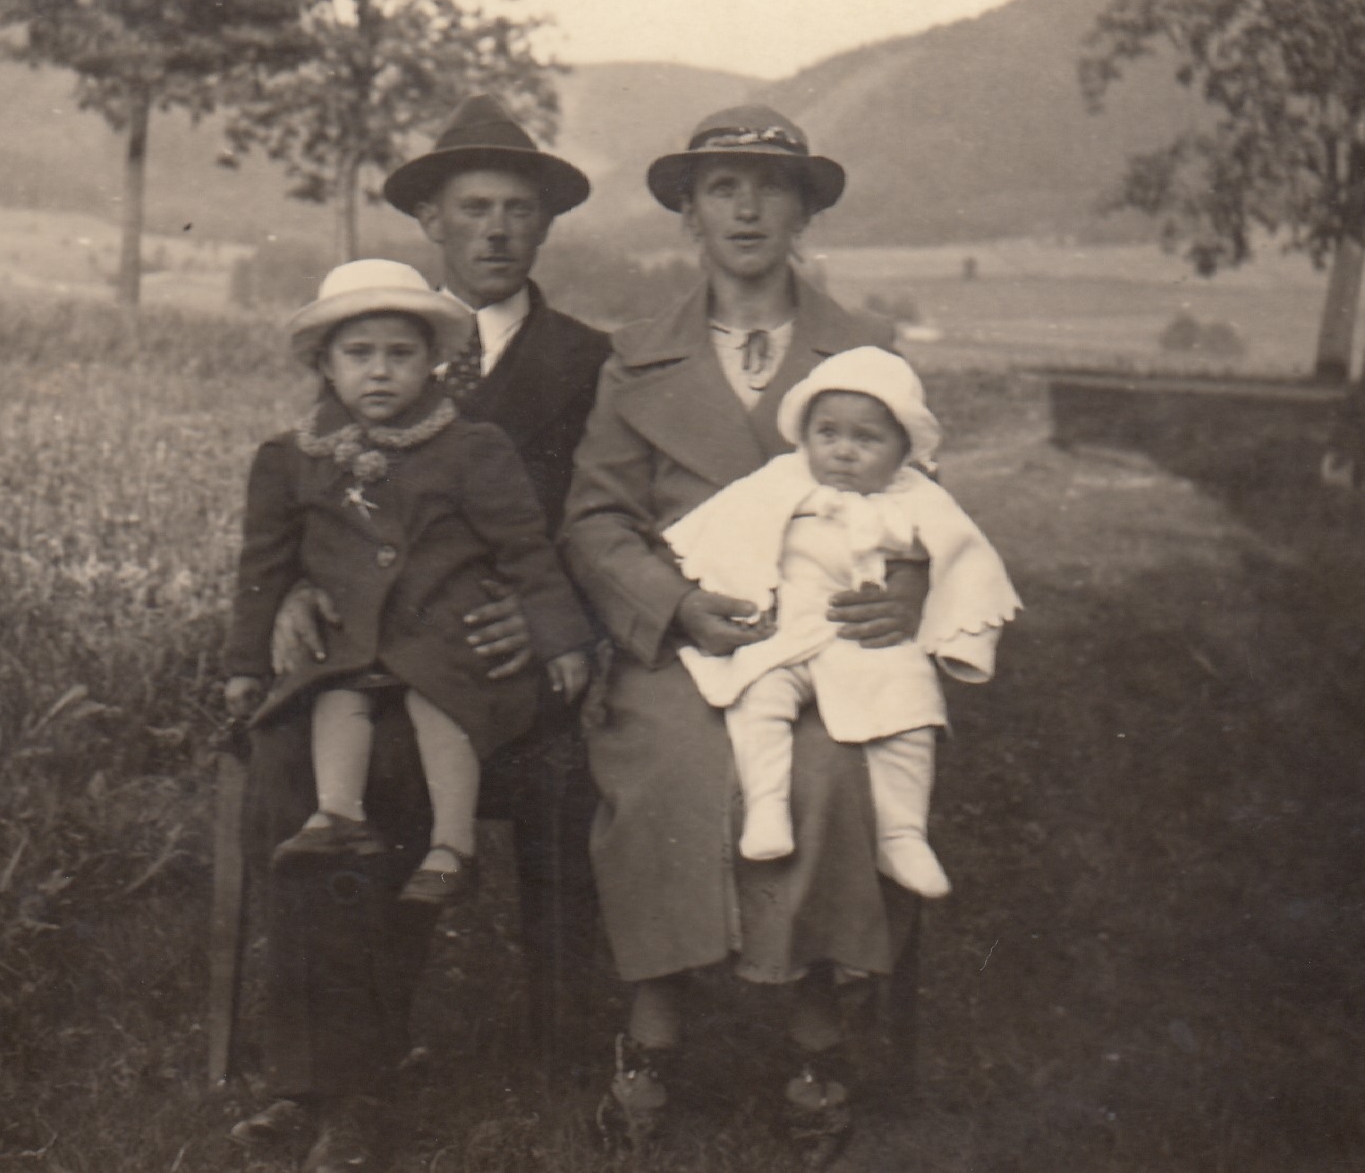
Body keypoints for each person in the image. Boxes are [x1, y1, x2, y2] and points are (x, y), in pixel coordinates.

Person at [225, 96, 612, 1173]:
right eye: (473, 208)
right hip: (367, 647)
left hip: (500, 656)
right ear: (430, 220)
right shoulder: (372, 343)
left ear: (547, 225)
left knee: (389, 759)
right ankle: (326, 1079)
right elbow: (310, 502)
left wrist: (555, 616)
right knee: (300, 765)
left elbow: (613, 513)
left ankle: (357, 1080)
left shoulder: (590, 361)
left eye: (519, 209)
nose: (497, 229)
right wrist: (292, 594)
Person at [558, 104, 933, 1157]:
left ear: (805, 209)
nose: (748, 208)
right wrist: (674, 605)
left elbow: (924, 505)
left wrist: (906, 590)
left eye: (773, 187)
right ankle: (653, 1034)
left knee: (826, 767)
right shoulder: (639, 359)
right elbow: (596, 520)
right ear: (689, 211)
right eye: (722, 187)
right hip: (687, 640)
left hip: (829, 639)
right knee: (671, 765)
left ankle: (814, 1039)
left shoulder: (865, 352)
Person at [225, 258, 593, 906]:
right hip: (348, 637)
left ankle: (452, 848)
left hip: (442, 631)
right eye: (359, 354)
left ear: (432, 364)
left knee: (440, 703)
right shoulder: (291, 458)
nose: (379, 371)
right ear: (325, 364)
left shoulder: (471, 447)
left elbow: (523, 549)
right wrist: (246, 664)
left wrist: (561, 638)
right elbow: (264, 567)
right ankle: (337, 816)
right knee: (336, 694)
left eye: (401, 355)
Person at [663, 345, 1021, 882]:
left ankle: (902, 834)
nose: (843, 452)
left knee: (911, 709)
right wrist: (738, 596)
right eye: (827, 434)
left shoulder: (917, 496)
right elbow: (723, 532)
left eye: (867, 439)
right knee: (759, 699)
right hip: (785, 629)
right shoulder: (781, 479)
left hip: (864, 634)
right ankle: (766, 808)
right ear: (805, 435)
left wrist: (946, 615)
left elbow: (965, 559)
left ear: (903, 449)